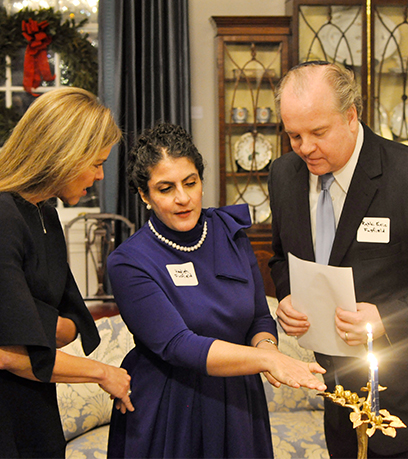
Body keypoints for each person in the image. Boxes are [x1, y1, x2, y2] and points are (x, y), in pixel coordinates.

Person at [106, 122, 326, 459]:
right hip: (171, 406)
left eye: (190, 183)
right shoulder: (129, 261)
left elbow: (257, 317)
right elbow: (178, 345)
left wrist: (267, 347)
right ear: (144, 196)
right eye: (165, 189)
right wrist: (266, 358)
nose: (183, 198)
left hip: (238, 399)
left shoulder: (229, 231)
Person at [268, 60, 408, 458]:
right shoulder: (284, 175)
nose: (305, 148)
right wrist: (288, 296)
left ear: (351, 116)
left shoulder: (403, 174)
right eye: (294, 135)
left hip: (402, 389)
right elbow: (280, 258)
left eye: (317, 132)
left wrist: (387, 319)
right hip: (336, 389)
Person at [0, 87, 134, 459]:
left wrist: (36, 324)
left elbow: (72, 321)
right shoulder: (4, 216)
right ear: (63, 155)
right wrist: (103, 373)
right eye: (95, 163)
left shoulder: (45, 213)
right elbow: (10, 355)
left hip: (35, 407)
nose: (101, 175)